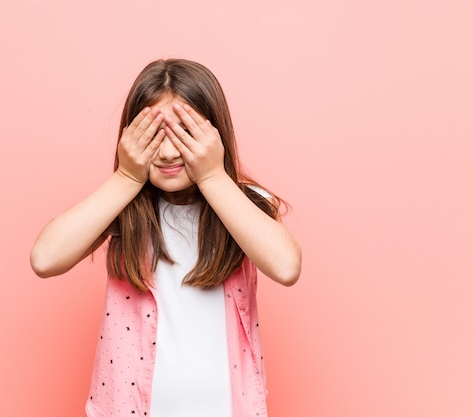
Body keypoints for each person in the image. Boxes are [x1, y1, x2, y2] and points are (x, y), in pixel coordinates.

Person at [30, 58, 302, 417]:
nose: (170, 152)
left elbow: (286, 267)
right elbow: (44, 259)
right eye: (155, 135)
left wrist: (213, 177)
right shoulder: (124, 208)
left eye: (185, 134)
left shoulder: (242, 205)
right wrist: (127, 177)